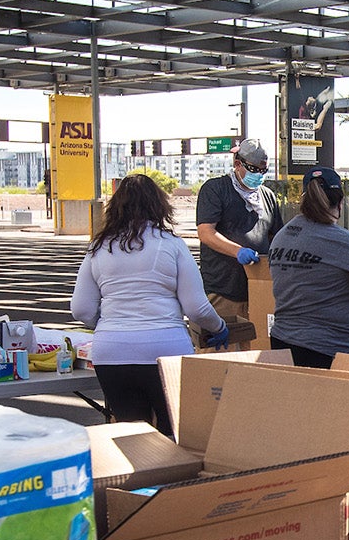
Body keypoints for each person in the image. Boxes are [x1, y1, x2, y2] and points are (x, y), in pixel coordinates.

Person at [72, 173, 226, 429]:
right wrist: (219, 327)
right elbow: (196, 308)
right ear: (159, 205)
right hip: (166, 350)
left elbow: (81, 308)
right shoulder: (173, 245)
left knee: (133, 437)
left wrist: (111, 324)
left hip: (111, 353)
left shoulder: (98, 248)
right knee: (174, 433)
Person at [267, 165, 349, 368]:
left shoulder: (282, 237)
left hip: (282, 345)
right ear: (341, 203)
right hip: (331, 352)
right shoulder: (346, 243)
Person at [196, 138, 283, 325]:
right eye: (254, 169)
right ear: (238, 164)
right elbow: (206, 233)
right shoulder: (216, 190)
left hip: (258, 290)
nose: (259, 175)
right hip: (223, 291)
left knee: (255, 350)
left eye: (263, 170)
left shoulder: (267, 197)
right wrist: (238, 251)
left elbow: (275, 235)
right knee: (219, 351)